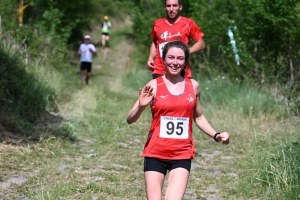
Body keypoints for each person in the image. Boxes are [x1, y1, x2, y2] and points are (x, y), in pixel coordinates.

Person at [127, 41, 230, 200]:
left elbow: (199, 117)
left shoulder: (193, 86)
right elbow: (130, 119)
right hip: (155, 152)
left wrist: (216, 135)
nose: (175, 62)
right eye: (171, 57)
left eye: (180, 58)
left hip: (182, 153)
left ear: (185, 61)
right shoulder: (153, 85)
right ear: (163, 59)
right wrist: (141, 106)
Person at [147, 0, 205, 79]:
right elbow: (155, 42)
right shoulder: (157, 24)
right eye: (168, 6)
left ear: (180, 7)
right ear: (165, 8)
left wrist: (186, 52)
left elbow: (201, 44)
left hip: (181, 70)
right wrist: (150, 58)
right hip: (160, 70)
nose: (171, 9)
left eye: (174, 6)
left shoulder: (188, 23)